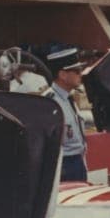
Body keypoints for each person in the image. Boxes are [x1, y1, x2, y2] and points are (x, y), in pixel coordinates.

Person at [45, 47, 89, 183]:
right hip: (63, 165)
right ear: (63, 75)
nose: (80, 74)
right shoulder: (50, 102)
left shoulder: (68, 98)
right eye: (76, 71)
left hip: (77, 161)